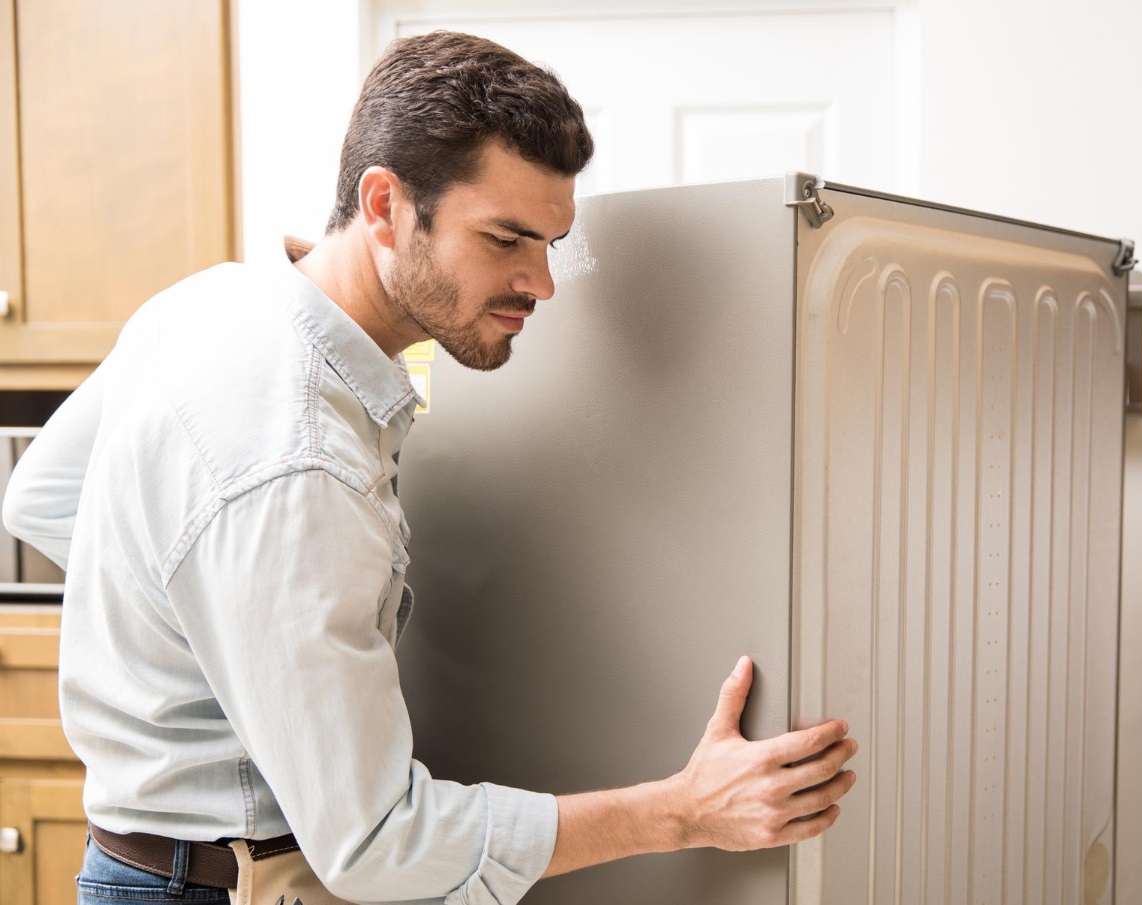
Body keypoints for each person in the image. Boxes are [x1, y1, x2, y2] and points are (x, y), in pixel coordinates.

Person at [3, 31, 857, 905]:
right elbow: (377, 843)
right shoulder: (299, 463)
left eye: (552, 241)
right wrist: (681, 812)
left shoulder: (211, 300)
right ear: (384, 206)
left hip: (142, 865)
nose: (543, 282)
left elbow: (40, 498)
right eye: (504, 239)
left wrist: (225, 630)